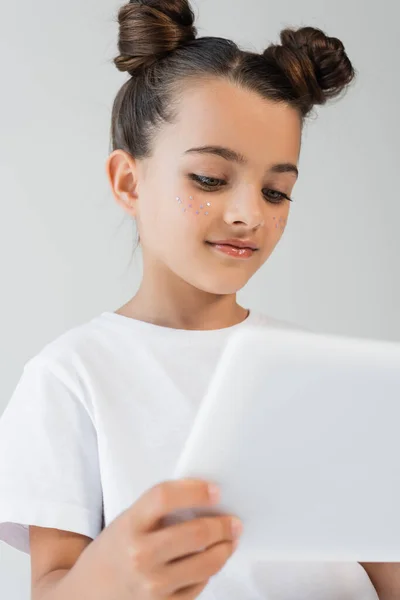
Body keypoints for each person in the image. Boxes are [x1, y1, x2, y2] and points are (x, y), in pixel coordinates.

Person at [0, 0, 396, 598]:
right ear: (129, 182)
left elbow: (383, 567)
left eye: (276, 191)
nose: (248, 215)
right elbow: (52, 585)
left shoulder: (323, 371)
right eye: (210, 179)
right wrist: (118, 573)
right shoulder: (72, 376)